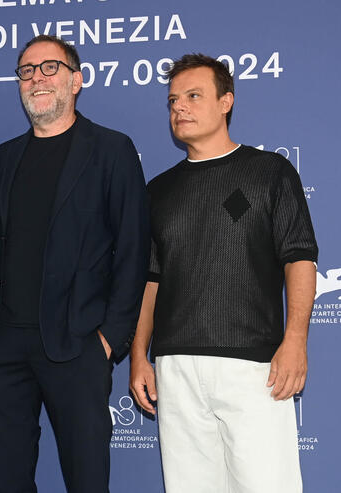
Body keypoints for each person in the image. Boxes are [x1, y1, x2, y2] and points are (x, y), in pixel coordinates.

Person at [0, 35, 149, 492]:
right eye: (26, 71)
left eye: (49, 67)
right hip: (0, 349)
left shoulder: (112, 150)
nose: (37, 78)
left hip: (78, 344)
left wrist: (108, 340)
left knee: (87, 482)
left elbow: (133, 252)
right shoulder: (1, 159)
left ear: (77, 80)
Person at [129, 54, 317, 493]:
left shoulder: (270, 172)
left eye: (194, 96)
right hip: (175, 365)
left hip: (254, 365)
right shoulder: (158, 190)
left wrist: (295, 341)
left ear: (226, 101)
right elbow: (150, 279)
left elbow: (300, 258)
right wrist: (140, 353)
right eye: (173, 100)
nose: (180, 107)